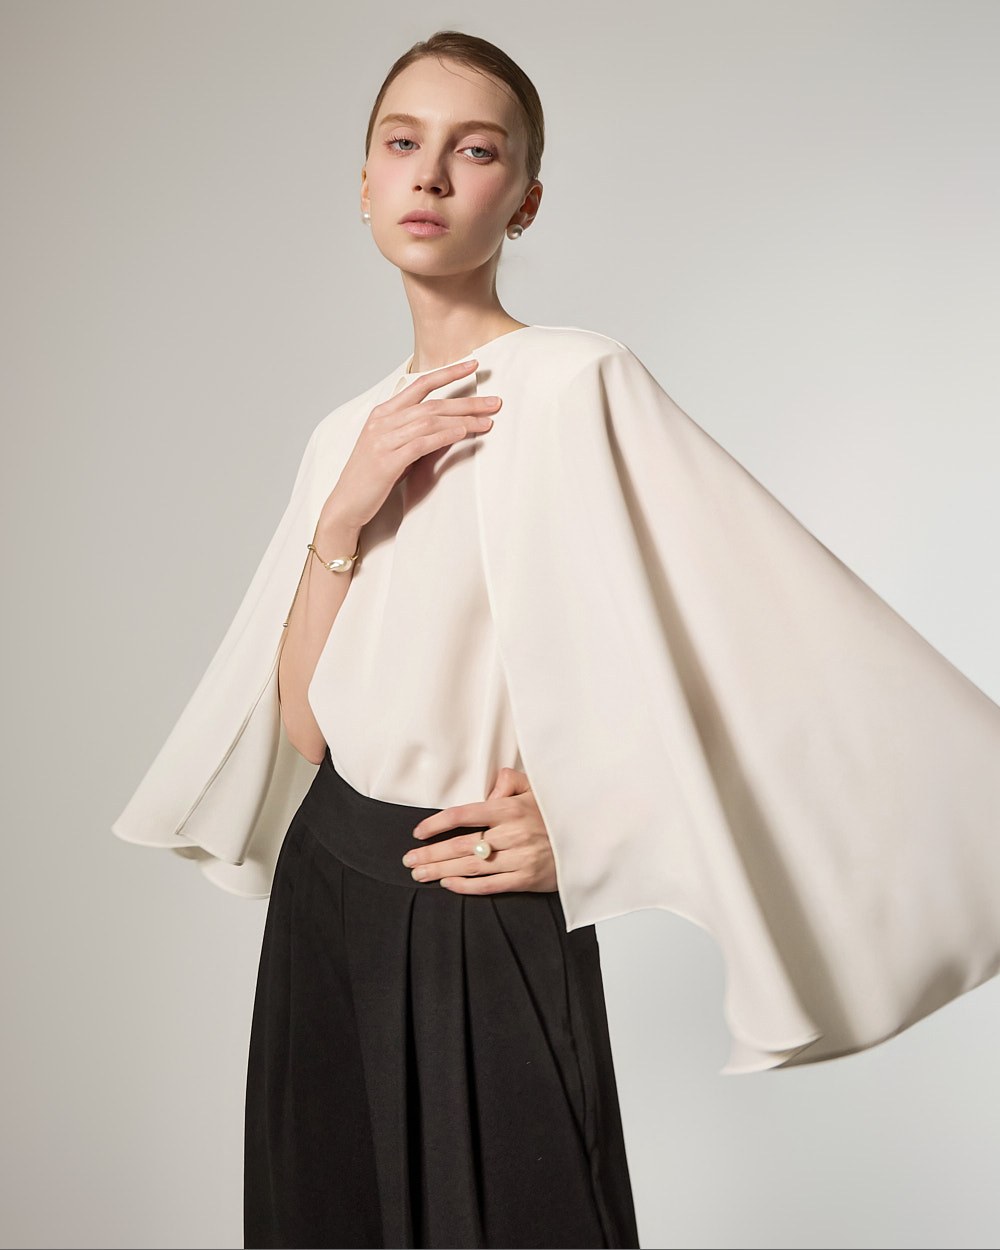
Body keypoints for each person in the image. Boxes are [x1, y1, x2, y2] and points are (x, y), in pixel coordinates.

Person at [112, 27, 1000, 1250]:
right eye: (402, 143)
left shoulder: (576, 381)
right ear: (363, 182)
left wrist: (591, 817)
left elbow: (768, 647)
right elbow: (311, 730)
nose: (430, 175)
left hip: (475, 897)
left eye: (474, 151)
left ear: (523, 200)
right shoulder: (342, 435)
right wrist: (344, 514)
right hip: (328, 892)